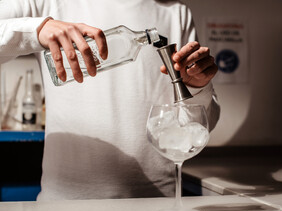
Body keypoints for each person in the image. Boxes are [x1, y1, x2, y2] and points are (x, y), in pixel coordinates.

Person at [0, 0, 220, 200]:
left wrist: (197, 86)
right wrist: (36, 29)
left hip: (156, 206)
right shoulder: (46, 3)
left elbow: (194, 130)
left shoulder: (176, 13)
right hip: (67, 209)